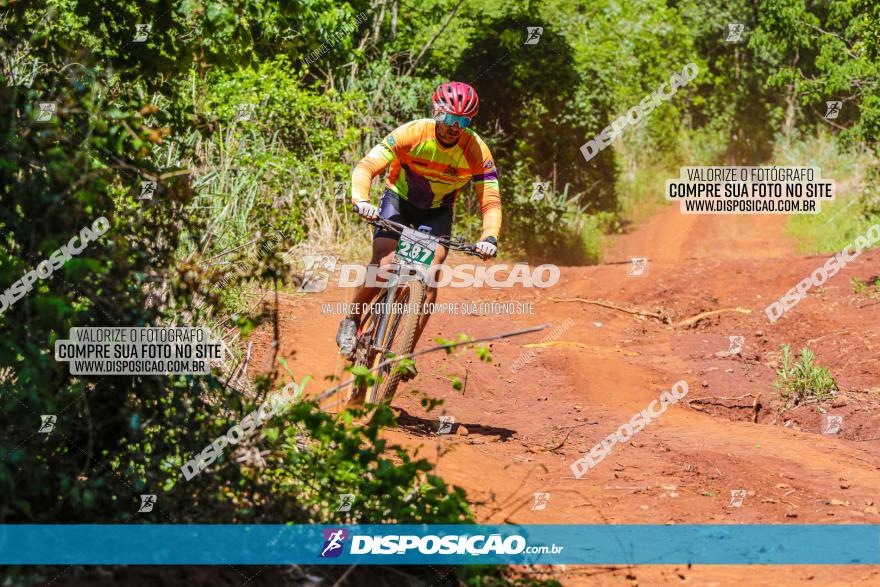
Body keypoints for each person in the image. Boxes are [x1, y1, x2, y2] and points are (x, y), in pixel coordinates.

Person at [336, 81, 502, 379]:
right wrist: (361, 199)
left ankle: (405, 353)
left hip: (438, 211)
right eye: (450, 119)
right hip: (398, 199)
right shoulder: (413, 132)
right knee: (384, 266)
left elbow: (490, 199)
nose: (455, 127)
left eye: (463, 122)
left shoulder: (475, 149)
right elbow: (367, 165)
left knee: (430, 276)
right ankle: (352, 318)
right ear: (437, 113)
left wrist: (489, 237)